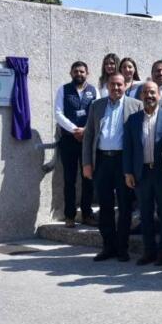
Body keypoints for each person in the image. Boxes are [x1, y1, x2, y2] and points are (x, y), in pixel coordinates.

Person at [82, 72, 143, 262]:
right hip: (102, 161)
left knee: (125, 205)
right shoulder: (97, 105)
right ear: (107, 86)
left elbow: (138, 139)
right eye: (112, 84)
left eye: (119, 84)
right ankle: (108, 246)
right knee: (105, 205)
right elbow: (89, 135)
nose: (116, 88)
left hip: (123, 161)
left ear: (125, 86)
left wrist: (134, 167)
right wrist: (86, 163)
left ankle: (122, 248)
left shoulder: (136, 105)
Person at [123, 81, 162, 266]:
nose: (149, 96)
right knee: (145, 214)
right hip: (142, 173)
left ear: (159, 95)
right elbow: (128, 148)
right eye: (146, 92)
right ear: (141, 96)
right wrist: (128, 172)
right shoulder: (133, 119)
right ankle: (149, 251)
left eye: (153, 92)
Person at [55, 61, 98, 227]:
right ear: (71, 73)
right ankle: (70, 216)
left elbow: (97, 113)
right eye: (76, 71)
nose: (79, 74)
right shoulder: (63, 89)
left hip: (88, 139)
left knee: (88, 177)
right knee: (69, 179)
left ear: (87, 73)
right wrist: (74, 130)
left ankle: (87, 214)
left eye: (82, 71)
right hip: (68, 140)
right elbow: (58, 113)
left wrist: (85, 130)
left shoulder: (94, 91)